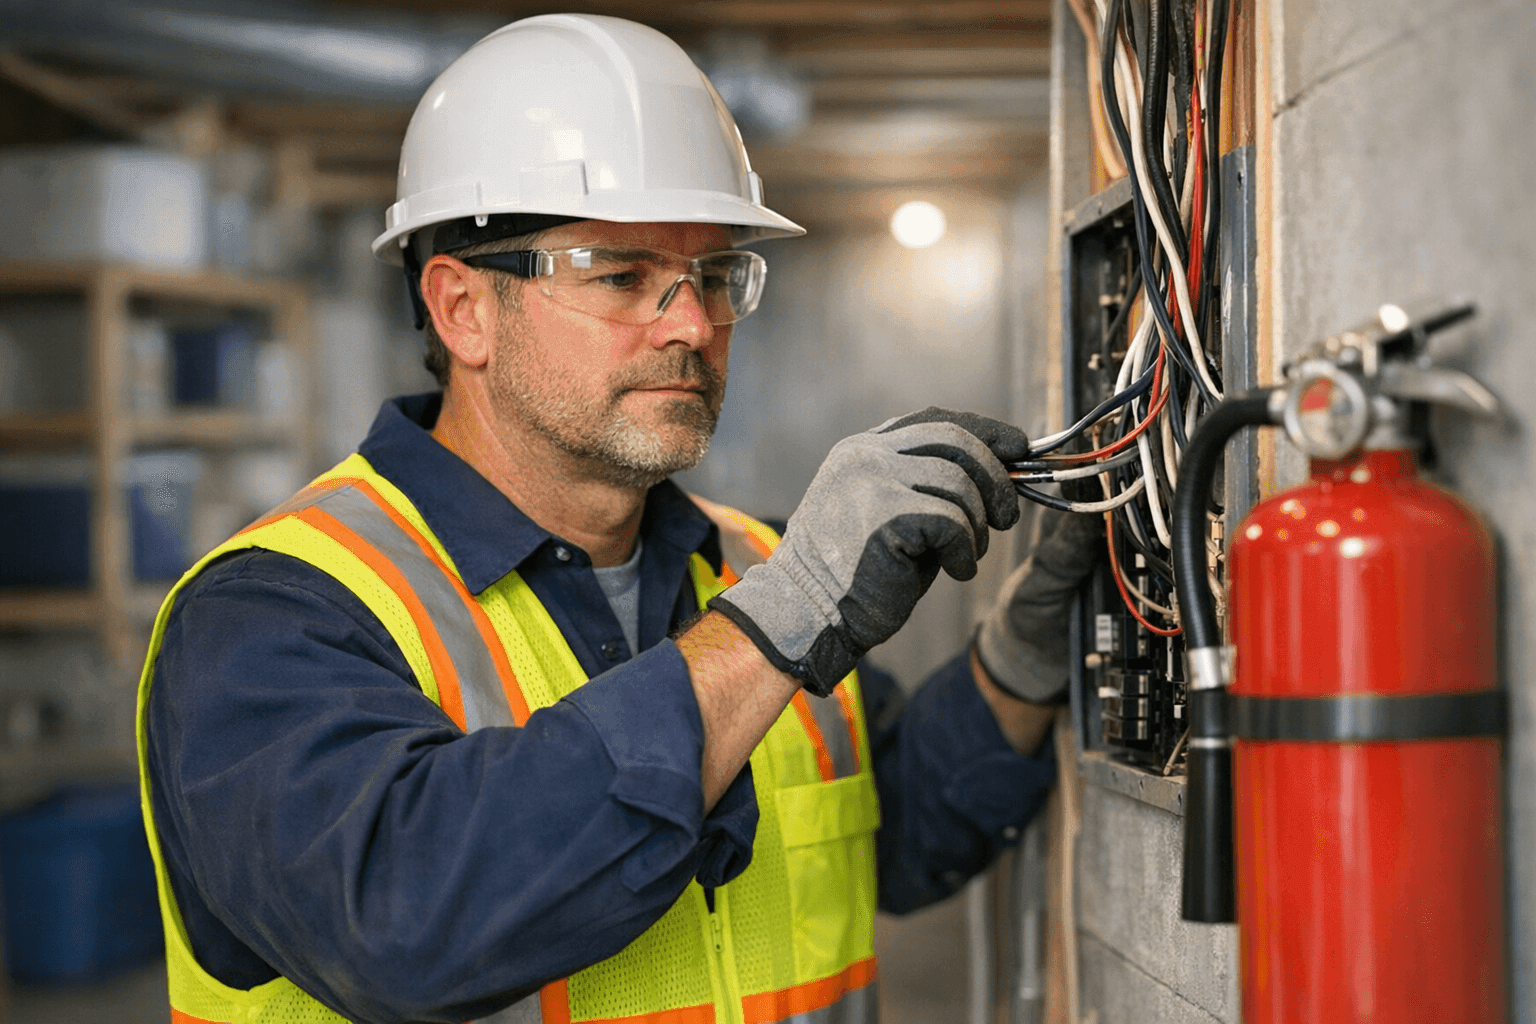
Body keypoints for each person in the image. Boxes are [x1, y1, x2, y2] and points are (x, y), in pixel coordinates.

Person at [136, 14, 1101, 1024]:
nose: (692, 323)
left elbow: (892, 833)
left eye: (717, 277)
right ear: (462, 308)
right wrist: (784, 616)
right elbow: (408, 917)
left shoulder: (753, 569)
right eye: (621, 275)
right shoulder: (270, 616)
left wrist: (1022, 654)